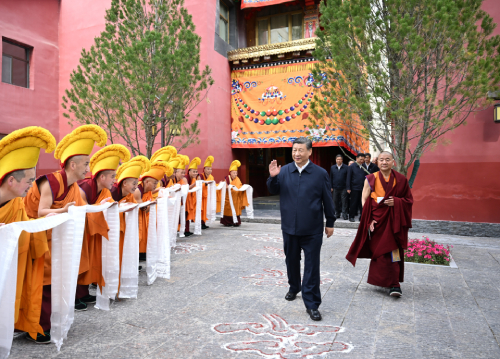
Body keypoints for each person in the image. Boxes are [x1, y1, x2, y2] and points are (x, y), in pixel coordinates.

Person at [23, 124, 107, 342]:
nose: (88, 169)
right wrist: (64, 209)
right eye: (86, 163)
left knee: (54, 281)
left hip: (55, 238)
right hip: (34, 236)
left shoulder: (74, 188)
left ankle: (48, 322)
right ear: (72, 164)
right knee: (41, 283)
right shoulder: (49, 181)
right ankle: (38, 326)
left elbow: (79, 208)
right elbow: (42, 211)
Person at [267, 137, 335, 322]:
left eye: (300, 150)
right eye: (294, 150)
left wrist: (330, 221)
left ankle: (312, 304)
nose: (296, 153)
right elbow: (273, 190)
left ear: (310, 152)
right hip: (289, 227)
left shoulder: (320, 173)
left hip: (312, 229)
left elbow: (327, 199)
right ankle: (294, 286)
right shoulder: (285, 171)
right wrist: (273, 178)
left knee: (312, 266)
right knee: (291, 260)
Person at [0, 127, 56, 344]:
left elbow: (24, 228)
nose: (32, 186)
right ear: (11, 180)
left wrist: (50, 223)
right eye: (29, 181)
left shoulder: (16, 203)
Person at [346, 151, 413, 297]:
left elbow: (408, 200)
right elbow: (364, 200)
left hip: (394, 222)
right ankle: (382, 280)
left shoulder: (401, 179)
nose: (384, 162)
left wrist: (397, 201)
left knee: (394, 251)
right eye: (381, 160)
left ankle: (395, 284)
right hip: (378, 221)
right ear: (377, 162)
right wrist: (368, 218)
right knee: (380, 252)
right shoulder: (371, 178)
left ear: (393, 162)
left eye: (387, 159)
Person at [78, 144, 131, 303]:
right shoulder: (83, 188)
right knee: (81, 259)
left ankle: (83, 292)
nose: (115, 181)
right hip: (80, 229)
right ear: (102, 177)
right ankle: (75, 296)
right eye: (112, 177)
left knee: (91, 260)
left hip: (92, 230)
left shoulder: (105, 191)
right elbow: (81, 210)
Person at [110, 156, 151, 292]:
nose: (136, 186)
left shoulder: (129, 194)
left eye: (136, 183)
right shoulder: (112, 192)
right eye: (133, 183)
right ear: (124, 183)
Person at [135, 160, 171, 260]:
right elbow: (143, 209)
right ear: (146, 181)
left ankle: (143, 252)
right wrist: (155, 202)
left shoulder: (148, 190)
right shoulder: (138, 191)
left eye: (157, 183)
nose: (156, 186)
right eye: (155, 183)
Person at [220, 160, 249, 227]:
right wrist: (227, 188)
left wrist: (243, 189)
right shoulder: (227, 178)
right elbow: (225, 186)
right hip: (228, 198)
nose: (235, 174)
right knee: (228, 209)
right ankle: (227, 222)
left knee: (235, 210)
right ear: (230, 173)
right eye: (234, 173)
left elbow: (240, 185)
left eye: (236, 173)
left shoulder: (237, 179)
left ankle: (236, 222)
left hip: (236, 198)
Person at [346, 153, 367, 222]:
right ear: (356, 158)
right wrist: (348, 188)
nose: (362, 161)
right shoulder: (351, 166)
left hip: (363, 188)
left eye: (363, 160)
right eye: (360, 159)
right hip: (354, 188)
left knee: (362, 203)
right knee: (353, 203)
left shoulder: (364, 166)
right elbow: (348, 177)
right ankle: (351, 216)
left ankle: (362, 217)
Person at [184, 157, 201, 236]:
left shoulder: (193, 179)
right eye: (193, 171)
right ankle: (184, 230)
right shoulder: (185, 178)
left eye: (196, 172)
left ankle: (187, 230)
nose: (195, 173)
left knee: (187, 214)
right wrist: (195, 184)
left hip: (189, 199)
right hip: (184, 199)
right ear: (189, 171)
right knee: (184, 214)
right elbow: (186, 188)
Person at [330, 154, 348, 220]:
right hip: (335, 188)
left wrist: (347, 187)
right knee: (335, 202)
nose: (338, 160)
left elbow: (348, 178)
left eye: (340, 159)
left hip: (344, 188)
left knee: (344, 202)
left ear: (342, 160)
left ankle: (344, 214)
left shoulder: (346, 167)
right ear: (335, 160)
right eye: (337, 159)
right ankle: (337, 214)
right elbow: (331, 178)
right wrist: (331, 187)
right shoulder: (332, 167)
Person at [199, 155, 215, 230]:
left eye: (211, 169)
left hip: (208, 196)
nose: (209, 171)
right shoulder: (201, 176)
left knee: (206, 210)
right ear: (204, 169)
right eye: (208, 169)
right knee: (201, 210)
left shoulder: (211, 177)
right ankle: (200, 223)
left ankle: (204, 222)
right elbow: (199, 184)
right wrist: (205, 184)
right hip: (201, 196)